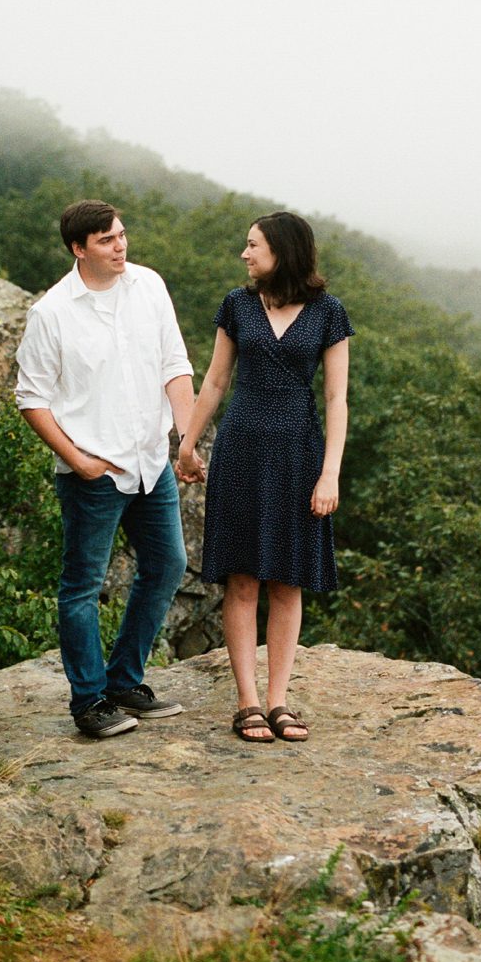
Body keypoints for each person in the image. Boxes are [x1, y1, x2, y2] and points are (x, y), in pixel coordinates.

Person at [14, 199, 195, 739]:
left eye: (121, 235)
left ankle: (123, 681)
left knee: (167, 565)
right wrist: (79, 462)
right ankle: (88, 701)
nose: (120, 247)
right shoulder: (52, 313)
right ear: (78, 249)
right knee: (82, 588)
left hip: (150, 460)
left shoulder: (149, 286)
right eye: (106, 240)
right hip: (94, 472)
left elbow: (175, 366)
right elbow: (31, 398)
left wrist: (184, 440)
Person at [174, 211, 352, 745]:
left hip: (300, 452)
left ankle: (279, 700)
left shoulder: (328, 313)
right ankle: (247, 702)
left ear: (283, 251)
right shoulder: (237, 304)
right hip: (241, 448)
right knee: (243, 577)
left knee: (288, 579)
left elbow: (337, 398)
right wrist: (187, 442)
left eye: (253, 246)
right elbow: (215, 379)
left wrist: (331, 474)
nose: (245, 255)